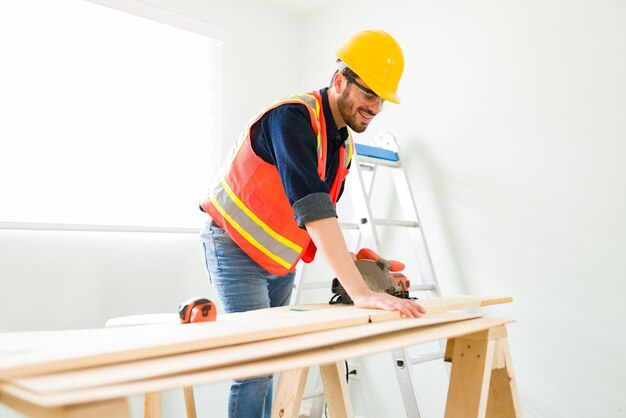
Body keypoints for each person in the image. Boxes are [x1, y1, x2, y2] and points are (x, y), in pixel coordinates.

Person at [199, 29, 426, 418]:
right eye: (368, 94)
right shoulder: (294, 119)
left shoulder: (342, 144)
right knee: (255, 367)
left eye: (381, 99)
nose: (375, 108)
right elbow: (313, 207)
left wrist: (357, 265)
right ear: (340, 81)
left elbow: (319, 219)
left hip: (278, 260)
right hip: (234, 247)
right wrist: (360, 293)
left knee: (273, 357)